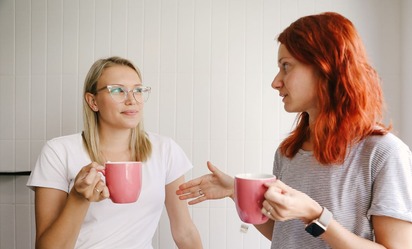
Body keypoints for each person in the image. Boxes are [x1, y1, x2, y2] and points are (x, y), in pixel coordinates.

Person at [176, 12, 412, 248]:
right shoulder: (288, 152)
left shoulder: (383, 154)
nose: (276, 81)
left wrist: (315, 215)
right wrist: (235, 192)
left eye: (286, 66)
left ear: (325, 66)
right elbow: (284, 234)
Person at [27, 56, 203, 249]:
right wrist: (78, 199)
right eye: (118, 90)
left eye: (137, 90)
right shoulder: (58, 153)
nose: (132, 100)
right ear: (93, 101)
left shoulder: (166, 151)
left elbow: (185, 233)